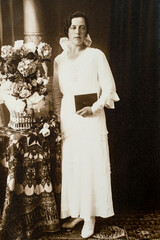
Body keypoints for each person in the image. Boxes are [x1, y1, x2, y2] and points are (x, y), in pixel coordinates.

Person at [53, 11, 120, 238]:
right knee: (74, 166)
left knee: (91, 166)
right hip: (69, 121)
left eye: (82, 27)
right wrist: (58, 120)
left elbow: (109, 88)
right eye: (73, 27)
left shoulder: (96, 55)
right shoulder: (59, 60)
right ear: (67, 31)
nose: (78, 31)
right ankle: (78, 213)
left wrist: (93, 108)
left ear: (86, 31)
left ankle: (90, 217)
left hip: (91, 118)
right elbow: (56, 94)